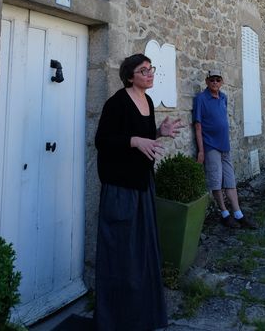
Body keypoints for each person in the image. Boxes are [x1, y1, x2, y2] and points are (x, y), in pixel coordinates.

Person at [94, 53, 183, 331]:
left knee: (143, 254)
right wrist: (134, 141)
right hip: (121, 189)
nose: (150, 73)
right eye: (143, 70)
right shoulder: (116, 103)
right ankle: (117, 320)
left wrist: (159, 132)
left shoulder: (148, 102)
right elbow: (103, 141)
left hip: (143, 185)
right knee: (122, 256)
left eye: (150, 68)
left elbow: (143, 139)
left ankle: (142, 316)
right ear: (130, 76)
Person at [193, 69, 257, 229]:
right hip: (210, 145)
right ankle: (224, 214)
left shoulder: (223, 97)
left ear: (222, 82)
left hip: (224, 145)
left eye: (218, 79)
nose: (215, 82)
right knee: (216, 181)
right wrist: (201, 151)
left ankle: (238, 214)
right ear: (207, 81)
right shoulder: (201, 99)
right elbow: (198, 126)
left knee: (230, 180)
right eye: (212, 80)